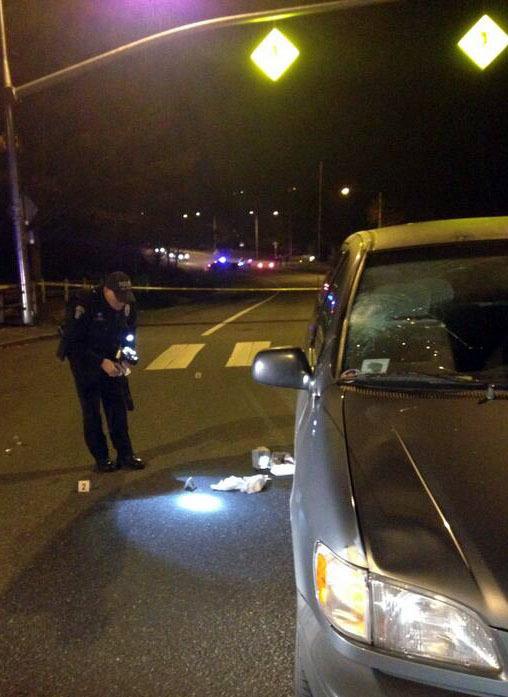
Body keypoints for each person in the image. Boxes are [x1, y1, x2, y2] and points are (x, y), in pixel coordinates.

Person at [57, 271, 145, 472]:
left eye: (125, 299)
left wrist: (126, 357)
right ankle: (102, 458)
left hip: (111, 359)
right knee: (92, 412)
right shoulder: (84, 303)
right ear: (106, 290)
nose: (121, 304)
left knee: (117, 408)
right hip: (85, 361)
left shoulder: (128, 305)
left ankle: (126, 455)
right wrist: (99, 362)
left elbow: (129, 335)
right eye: (118, 299)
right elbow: (73, 343)